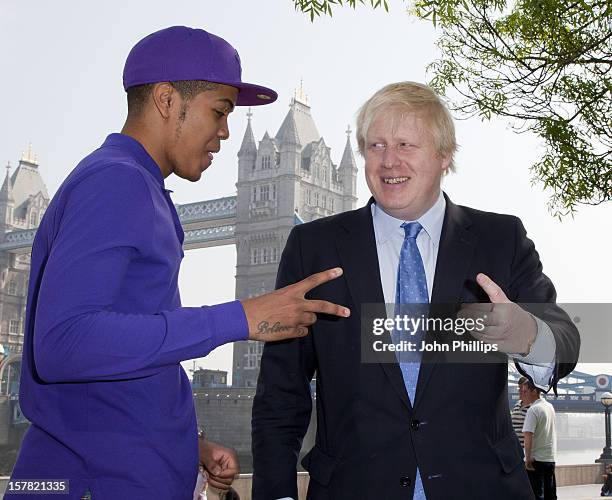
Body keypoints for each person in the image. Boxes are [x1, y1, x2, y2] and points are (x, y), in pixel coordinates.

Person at [8, 26, 349, 500]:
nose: (226, 132)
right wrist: (240, 317)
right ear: (168, 100)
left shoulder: (139, 186)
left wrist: (187, 443)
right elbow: (64, 343)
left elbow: (125, 359)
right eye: (220, 111)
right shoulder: (116, 184)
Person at [251, 81, 580, 499]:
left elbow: (566, 340)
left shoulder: (501, 239)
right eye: (376, 145)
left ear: (445, 155)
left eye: (406, 144)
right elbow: (281, 391)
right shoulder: (312, 247)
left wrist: (528, 335)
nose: (389, 161)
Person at [522, 379, 558, 500]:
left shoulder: (533, 410)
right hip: (550, 459)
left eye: (525, 391)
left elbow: (528, 435)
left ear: (534, 391)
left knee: (536, 495)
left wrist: (527, 459)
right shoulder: (550, 407)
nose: (522, 395)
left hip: (536, 460)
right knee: (550, 495)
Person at [512, 376, 533, 449]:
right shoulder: (517, 404)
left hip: (525, 450)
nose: (520, 391)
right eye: (519, 388)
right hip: (514, 450)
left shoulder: (533, 408)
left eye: (523, 389)